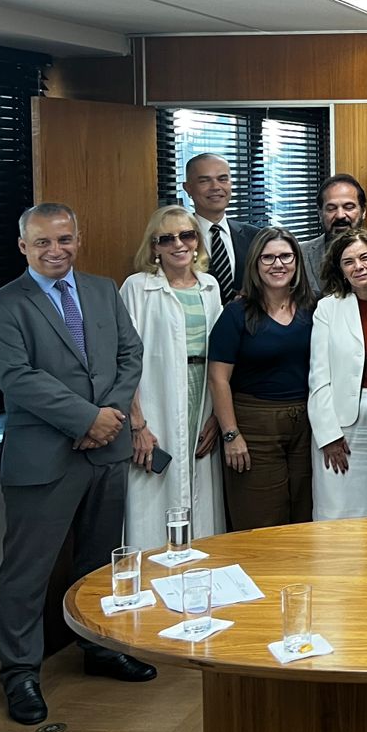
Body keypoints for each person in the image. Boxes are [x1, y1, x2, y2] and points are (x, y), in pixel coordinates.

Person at [0, 203, 155, 726]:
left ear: (78, 237)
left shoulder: (102, 290)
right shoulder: (1, 305)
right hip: (44, 458)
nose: (55, 251)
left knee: (101, 564)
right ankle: (20, 675)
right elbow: (17, 378)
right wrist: (85, 420)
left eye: (64, 240)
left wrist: (110, 417)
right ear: (23, 247)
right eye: (42, 243)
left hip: (108, 450)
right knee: (26, 573)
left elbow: (131, 355)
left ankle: (99, 649)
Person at [118, 204, 225, 553]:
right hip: (155, 401)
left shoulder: (209, 286)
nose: (179, 244)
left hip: (202, 397)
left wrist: (217, 417)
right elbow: (124, 360)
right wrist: (137, 424)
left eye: (187, 235)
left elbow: (221, 357)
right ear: (154, 247)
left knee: (200, 493)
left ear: (197, 242)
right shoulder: (137, 288)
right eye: (167, 238)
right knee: (153, 493)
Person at [209, 227, 316, 529]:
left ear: (297, 261)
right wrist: (230, 435)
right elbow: (218, 379)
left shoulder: (314, 307)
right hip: (254, 427)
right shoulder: (236, 313)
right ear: (255, 264)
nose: (277, 264)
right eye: (267, 258)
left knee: (304, 516)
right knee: (261, 520)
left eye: (285, 256)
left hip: (306, 425)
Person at [306, 228, 367, 520]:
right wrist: (328, 435)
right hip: (340, 427)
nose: (358, 266)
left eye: (364, 257)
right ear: (340, 269)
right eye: (348, 262)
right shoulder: (328, 308)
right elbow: (318, 378)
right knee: (336, 513)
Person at [299, 173, 367, 295]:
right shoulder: (301, 254)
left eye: (349, 207)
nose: (340, 215)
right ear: (320, 213)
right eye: (331, 208)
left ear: (363, 211)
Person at [182, 153, 260, 302]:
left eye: (222, 179)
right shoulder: (176, 241)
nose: (215, 187)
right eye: (204, 181)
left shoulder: (255, 237)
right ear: (188, 188)